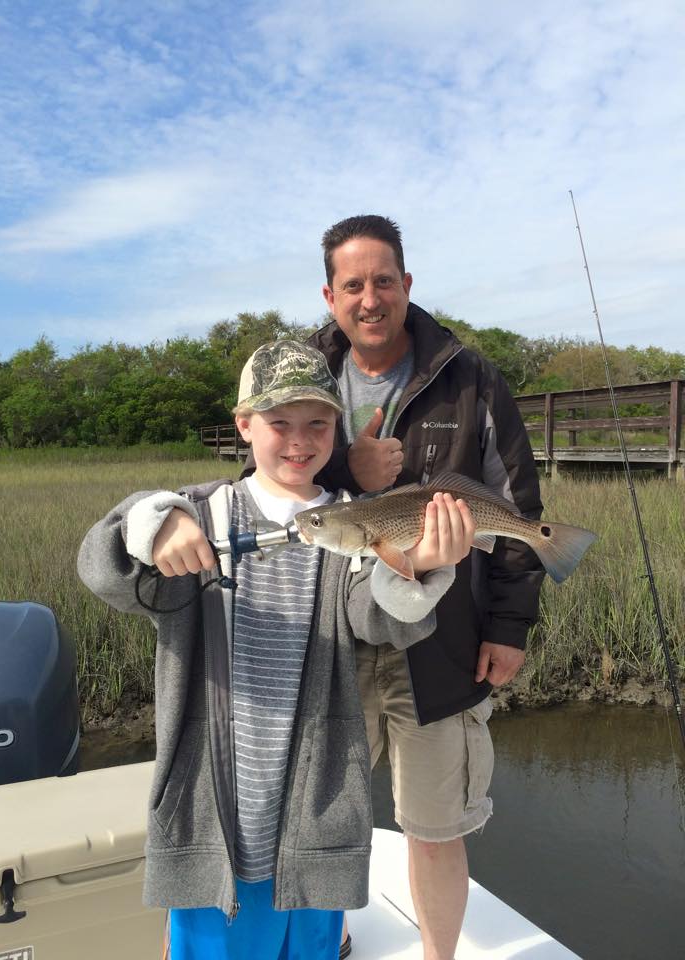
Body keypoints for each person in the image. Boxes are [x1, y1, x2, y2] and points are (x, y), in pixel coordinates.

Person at [78, 339, 476, 960]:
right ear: (243, 425)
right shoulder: (202, 511)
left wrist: (420, 566)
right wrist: (153, 522)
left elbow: (376, 621)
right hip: (212, 809)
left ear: (337, 428)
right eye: (278, 422)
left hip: (316, 813)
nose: (299, 439)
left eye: (317, 422)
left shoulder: (356, 518)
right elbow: (103, 571)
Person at [311, 215, 546, 960]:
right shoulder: (304, 375)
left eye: (384, 280)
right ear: (330, 295)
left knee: (435, 828)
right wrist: (347, 470)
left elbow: (519, 504)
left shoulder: (471, 375)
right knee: (325, 819)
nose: (370, 298)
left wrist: (509, 628)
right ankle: (331, 941)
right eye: (354, 285)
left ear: (407, 285)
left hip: (443, 643)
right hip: (330, 644)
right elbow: (273, 485)